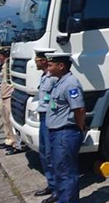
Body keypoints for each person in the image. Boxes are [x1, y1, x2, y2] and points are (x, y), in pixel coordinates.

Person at [46, 53, 85, 203]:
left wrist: (79, 126)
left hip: (65, 133)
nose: (48, 68)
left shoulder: (70, 84)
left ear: (61, 66)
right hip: (57, 133)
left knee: (66, 173)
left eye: (51, 65)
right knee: (60, 171)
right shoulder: (60, 82)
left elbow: (79, 109)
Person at [33, 48, 58, 203]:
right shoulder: (44, 76)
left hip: (49, 118)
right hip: (42, 117)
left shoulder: (53, 78)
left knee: (51, 154)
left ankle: (57, 190)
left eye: (37, 59)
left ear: (43, 60)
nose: (34, 62)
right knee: (43, 152)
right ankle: (51, 184)